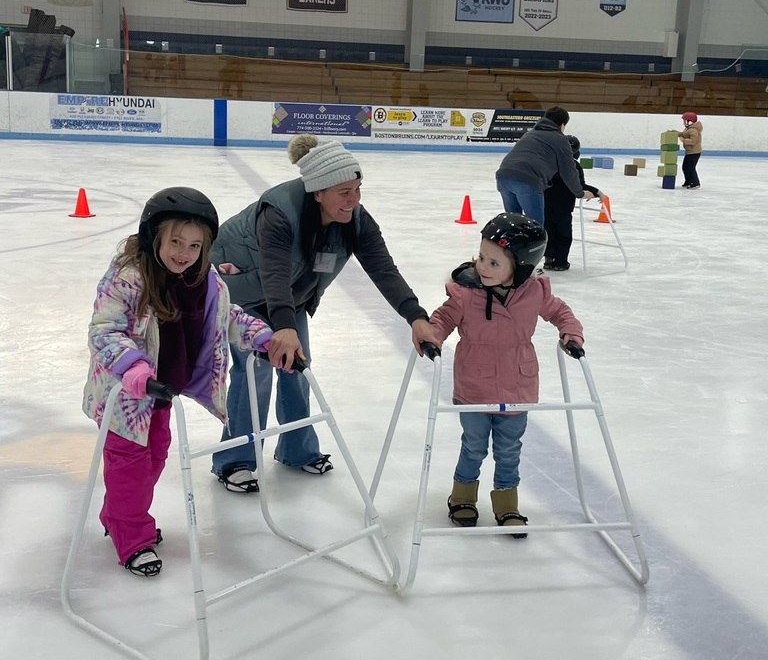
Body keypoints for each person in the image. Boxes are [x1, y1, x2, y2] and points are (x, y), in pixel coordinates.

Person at [210, 133, 443, 490]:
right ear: (317, 191)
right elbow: (274, 272)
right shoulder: (278, 212)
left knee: (297, 368)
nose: (354, 200)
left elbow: (383, 269)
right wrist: (284, 328)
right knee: (255, 371)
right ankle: (235, 459)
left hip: (291, 297)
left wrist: (416, 316)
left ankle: (297, 450)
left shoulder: (356, 221)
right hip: (244, 289)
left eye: (357, 188)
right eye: (344, 192)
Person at [82, 187, 273, 577]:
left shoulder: (204, 279)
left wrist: (262, 337)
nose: (184, 253)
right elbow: (104, 330)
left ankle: (117, 514)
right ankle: (133, 536)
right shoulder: (129, 277)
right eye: (175, 242)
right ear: (154, 236)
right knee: (129, 468)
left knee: (154, 459)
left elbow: (228, 316)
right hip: (126, 397)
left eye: (194, 245)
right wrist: (132, 367)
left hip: (163, 394)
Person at [429, 212, 584, 534]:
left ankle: (507, 505)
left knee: (509, 449)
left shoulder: (535, 292)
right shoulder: (465, 292)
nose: (483, 266)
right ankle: (462, 498)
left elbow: (561, 312)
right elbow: (443, 319)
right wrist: (431, 336)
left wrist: (571, 333)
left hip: (518, 386)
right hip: (474, 386)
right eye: (482, 257)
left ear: (522, 267)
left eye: (494, 263)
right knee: (473, 446)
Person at [496, 105, 583, 225]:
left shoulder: (529, 134)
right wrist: (580, 192)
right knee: (535, 227)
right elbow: (568, 170)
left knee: (514, 224)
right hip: (527, 180)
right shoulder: (560, 139)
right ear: (562, 125)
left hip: (503, 176)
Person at [543, 134, 604, 271]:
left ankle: (549, 259)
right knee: (564, 235)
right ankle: (560, 262)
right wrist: (598, 192)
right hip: (563, 208)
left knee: (549, 233)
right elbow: (580, 186)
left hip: (546, 205)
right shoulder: (574, 166)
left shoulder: (549, 163)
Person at [678, 111, 703, 188]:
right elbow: (684, 134)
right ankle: (688, 181)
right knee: (685, 167)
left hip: (694, 152)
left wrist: (684, 140)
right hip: (690, 151)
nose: (683, 122)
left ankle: (695, 183)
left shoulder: (693, 130)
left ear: (690, 121)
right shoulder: (689, 128)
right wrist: (676, 133)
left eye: (685, 120)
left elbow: (693, 141)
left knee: (690, 168)